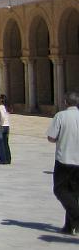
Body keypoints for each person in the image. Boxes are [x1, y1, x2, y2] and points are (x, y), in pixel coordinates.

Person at [48, 92, 79, 235]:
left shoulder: (60, 116)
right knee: (74, 193)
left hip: (64, 159)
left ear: (66, 102)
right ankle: (69, 226)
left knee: (60, 190)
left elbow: (51, 137)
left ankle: (77, 218)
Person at [0, 95, 11, 165]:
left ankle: (3, 159)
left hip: (1, 127)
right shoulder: (7, 107)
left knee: (1, 144)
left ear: (1, 99)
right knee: (6, 143)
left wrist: (0, 124)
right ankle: (8, 159)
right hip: (7, 126)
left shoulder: (0, 107)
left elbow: (3, 116)